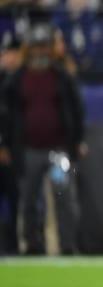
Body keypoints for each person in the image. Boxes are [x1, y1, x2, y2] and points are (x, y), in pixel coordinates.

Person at [2, 24, 86, 255]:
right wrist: (5, 143)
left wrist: (78, 140)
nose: (40, 52)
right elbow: (6, 114)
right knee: (28, 199)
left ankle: (67, 246)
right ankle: (31, 246)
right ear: (28, 50)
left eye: (43, 47)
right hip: (28, 150)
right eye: (35, 47)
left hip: (58, 150)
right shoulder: (16, 79)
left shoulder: (62, 76)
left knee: (64, 197)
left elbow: (76, 110)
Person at [0, 30, 22, 255]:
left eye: (11, 53)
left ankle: (16, 248)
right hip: (5, 148)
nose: (6, 57)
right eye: (4, 52)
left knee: (19, 203)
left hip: (18, 151)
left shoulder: (23, 79)